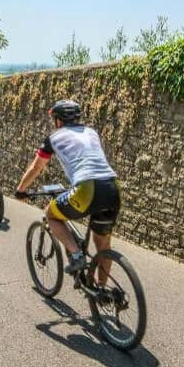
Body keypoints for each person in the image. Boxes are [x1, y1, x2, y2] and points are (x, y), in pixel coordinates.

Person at [14, 99, 121, 280]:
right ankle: (104, 295)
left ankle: (77, 256)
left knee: (51, 214)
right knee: (102, 244)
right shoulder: (91, 132)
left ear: (58, 120)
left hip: (87, 189)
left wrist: (20, 190)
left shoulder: (54, 138)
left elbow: (36, 168)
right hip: (112, 187)